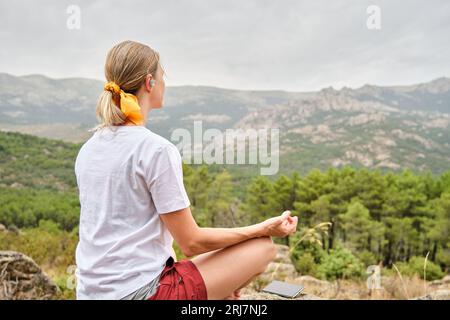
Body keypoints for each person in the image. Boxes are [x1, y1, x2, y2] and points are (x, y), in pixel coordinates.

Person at [74, 40, 298, 300]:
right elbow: (192, 243)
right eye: (162, 76)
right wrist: (263, 228)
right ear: (150, 82)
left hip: (91, 293)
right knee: (262, 247)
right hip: (143, 293)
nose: (164, 83)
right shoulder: (155, 149)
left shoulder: (88, 149)